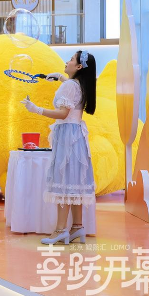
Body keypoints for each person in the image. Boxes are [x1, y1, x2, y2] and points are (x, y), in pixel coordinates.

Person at [21, 50, 97, 245]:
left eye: (71, 59)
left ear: (79, 66)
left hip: (67, 136)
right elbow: (72, 97)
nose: (67, 61)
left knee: (64, 181)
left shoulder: (70, 85)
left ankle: (60, 230)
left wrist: (36, 109)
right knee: (74, 182)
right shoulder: (80, 84)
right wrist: (61, 78)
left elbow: (63, 113)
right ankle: (77, 227)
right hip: (76, 135)